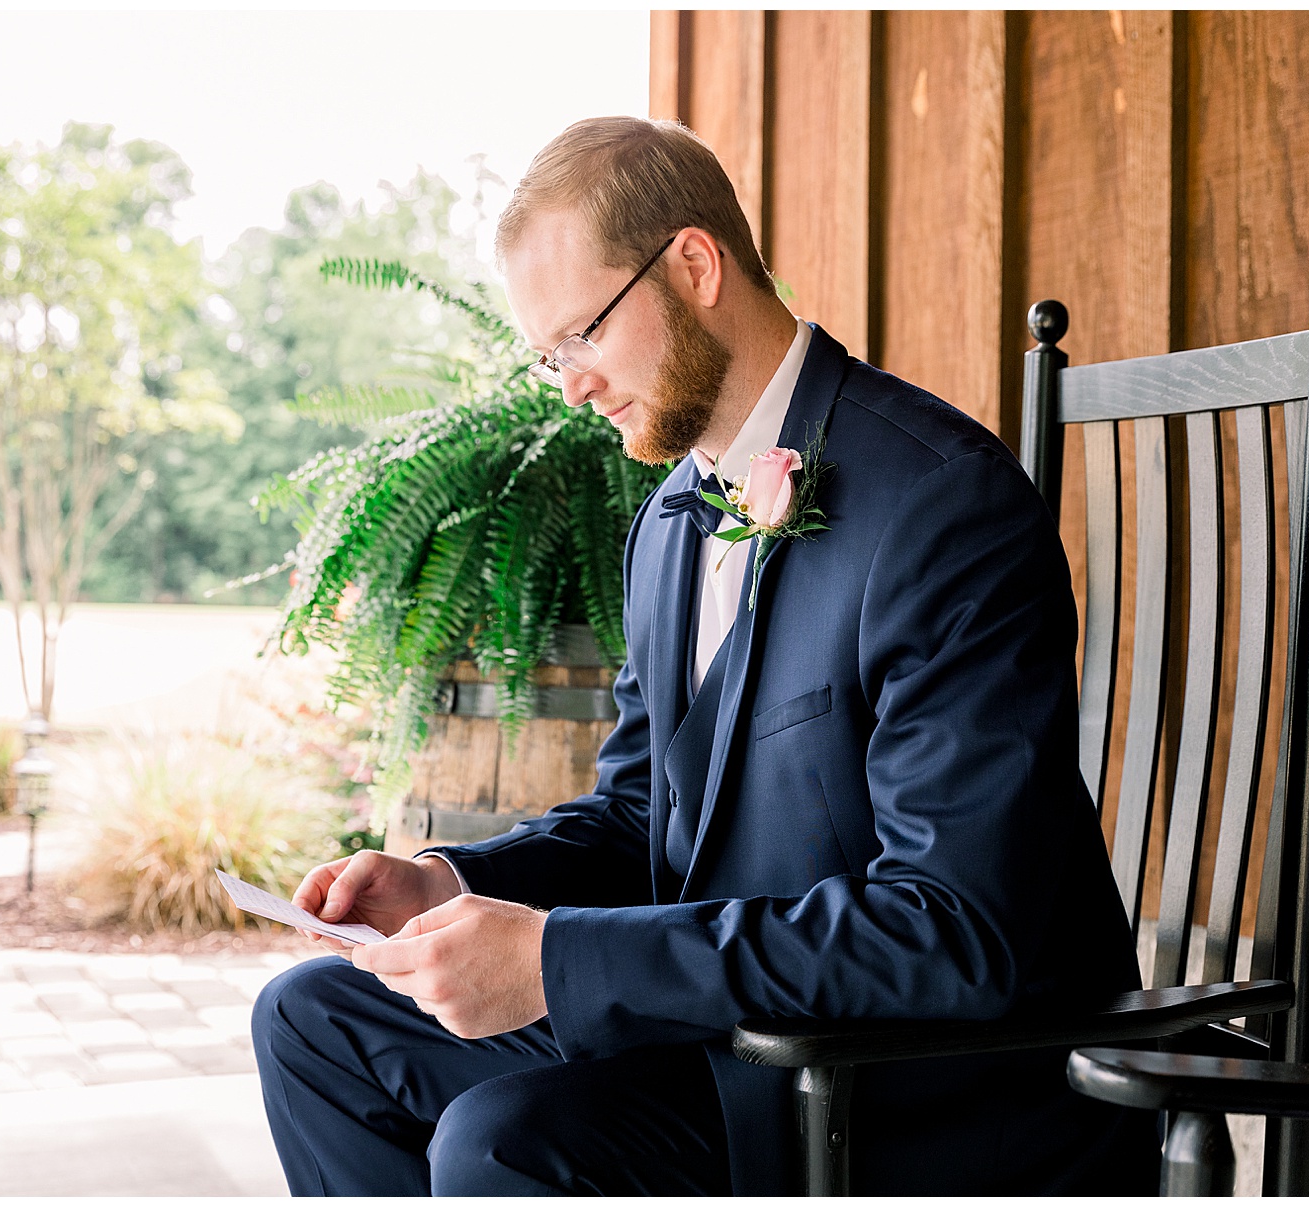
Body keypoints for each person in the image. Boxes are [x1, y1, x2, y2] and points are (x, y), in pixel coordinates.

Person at [251, 115, 1156, 1195]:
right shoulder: (672, 521)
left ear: (692, 263)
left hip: (921, 1081)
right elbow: (641, 815)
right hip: (732, 1029)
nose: (570, 383)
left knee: (502, 1139)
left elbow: (954, 931)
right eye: (550, 355)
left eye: (581, 333)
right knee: (310, 1022)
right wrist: (451, 885)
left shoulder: (941, 505)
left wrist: (556, 962)